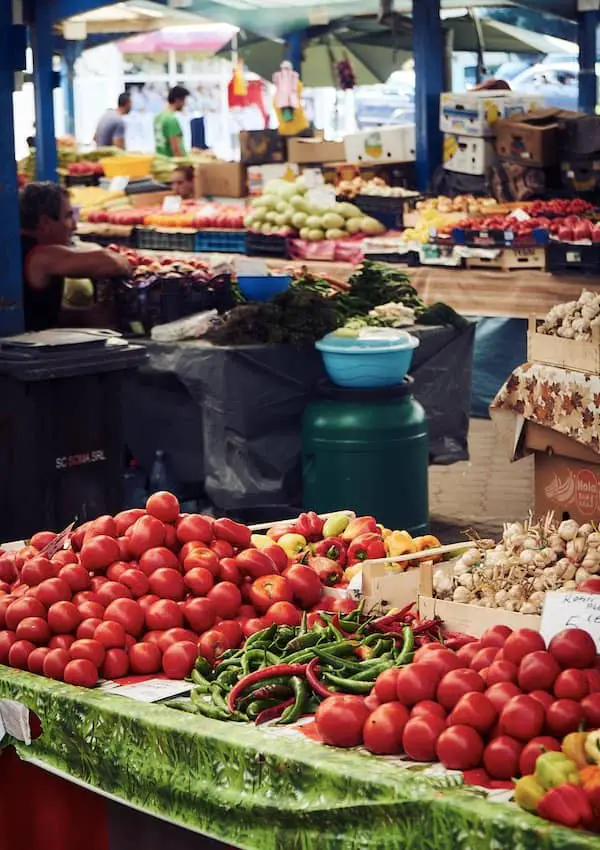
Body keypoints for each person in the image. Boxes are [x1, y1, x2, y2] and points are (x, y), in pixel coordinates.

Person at [20, 182, 132, 331]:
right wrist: (126, 261)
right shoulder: (40, 255)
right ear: (45, 222)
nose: (74, 226)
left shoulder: (19, 246)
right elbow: (109, 263)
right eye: (68, 216)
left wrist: (91, 316)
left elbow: (43, 315)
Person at [154, 85, 190, 158]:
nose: (185, 104)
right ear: (178, 100)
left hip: (160, 159)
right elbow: (175, 149)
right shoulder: (171, 120)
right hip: (171, 163)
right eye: (184, 101)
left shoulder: (158, 117)